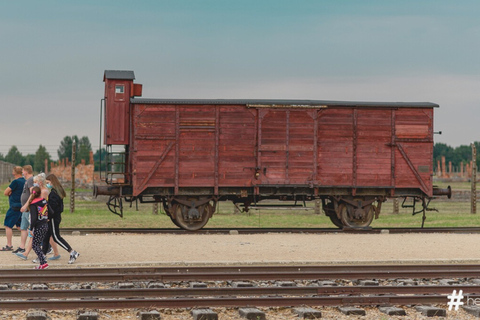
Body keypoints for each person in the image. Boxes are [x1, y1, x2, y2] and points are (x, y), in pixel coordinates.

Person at [42, 173, 80, 264]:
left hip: (52, 218)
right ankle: (42, 255)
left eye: (48, 182)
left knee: (56, 237)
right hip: (56, 217)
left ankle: (72, 252)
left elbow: (52, 209)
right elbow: (60, 208)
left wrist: (48, 217)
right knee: (46, 236)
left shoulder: (53, 194)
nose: (47, 184)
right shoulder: (58, 191)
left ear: (52, 182)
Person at [2, 166, 26, 251]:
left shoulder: (15, 182)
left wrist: (10, 192)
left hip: (14, 206)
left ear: (14, 172)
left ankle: (9, 245)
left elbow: (5, 192)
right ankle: (39, 240)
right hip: (23, 206)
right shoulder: (25, 181)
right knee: (21, 227)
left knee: (8, 225)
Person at [14, 165, 35, 254]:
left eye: (23, 171)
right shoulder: (27, 180)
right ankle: (22, 247)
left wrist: (26, 205)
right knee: (23, 227)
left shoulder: (30, 180)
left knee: (33, 228)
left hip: (28, 208)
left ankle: (46, 245)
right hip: (25, 209)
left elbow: (32, 193)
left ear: (26, 171)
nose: (22, 173)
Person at [28, 186, 49, 269]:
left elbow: (33, 218)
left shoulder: (33, 204)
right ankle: (43, 261)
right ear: (40, 193)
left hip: (39, 226)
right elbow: (51, 211)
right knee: (38, 243)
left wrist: (31, 228)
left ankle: (43, 263)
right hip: (45, 225)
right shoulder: (44, 201)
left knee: (35, 245)